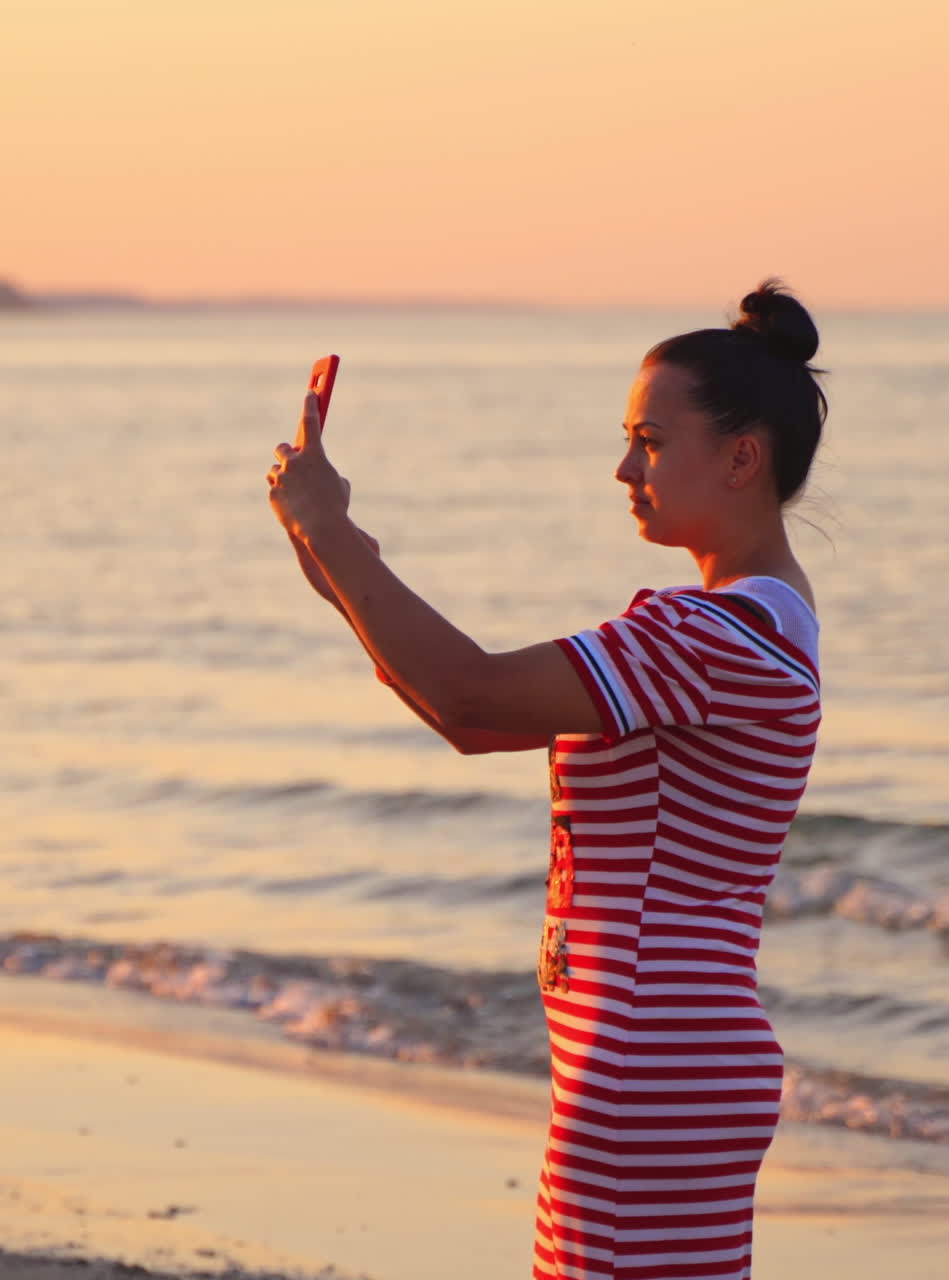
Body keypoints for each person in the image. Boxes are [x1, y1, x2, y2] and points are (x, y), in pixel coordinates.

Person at [267, 279, 827, 1280]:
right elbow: (465, 717)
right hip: (658, 1055)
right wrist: (322, 543)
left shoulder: (712, 634)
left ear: (742, 456)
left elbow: (467, 693)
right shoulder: (747, 626)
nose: (621, 467)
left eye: (649, 441)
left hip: (654, 1057)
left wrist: (334, 538)